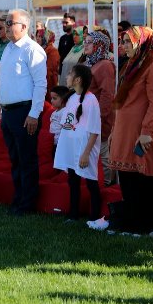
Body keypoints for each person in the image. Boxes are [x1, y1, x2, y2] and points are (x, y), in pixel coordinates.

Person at [106, 26, 153, 236]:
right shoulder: (131, 64)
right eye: (123, 42)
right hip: (124, 128)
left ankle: (147, 225)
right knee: (127, 177)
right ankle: (131, 221)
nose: (123, 45)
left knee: (142, 177)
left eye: (128, 41)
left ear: (142, 42)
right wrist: (114, 128)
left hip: (140, 130)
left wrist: (147, 130)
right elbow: (122, 101)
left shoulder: (152, 66)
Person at [0, 9, 47, 215]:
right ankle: (18, 199)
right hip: (9, 112)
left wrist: (34, 113)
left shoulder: (32, 49)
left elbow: (41, 84)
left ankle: (27, 204)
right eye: (6, 23)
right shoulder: (8, 48)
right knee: (15, 158)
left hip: (25, 111)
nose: (7, 26)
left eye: (11, 23)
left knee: (26, 159)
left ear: (24, 27)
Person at [54, 64, 102, 224]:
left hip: (84, 149)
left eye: (69, 74)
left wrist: (86, 153)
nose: (66, 77)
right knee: (73, 181)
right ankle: (73, 214)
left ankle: (95, 217)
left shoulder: (91, 100)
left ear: (78, 79)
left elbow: (95, 130)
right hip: (72, 147)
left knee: (90, 181)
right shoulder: (71, 97)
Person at [84, 28, 117, 186]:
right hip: (91, 116)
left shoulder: (104, 65)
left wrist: (100, 117)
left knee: (103, 151)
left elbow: (107, 94)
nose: (85, 45)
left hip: (100, 118)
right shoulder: (93, 64)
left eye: (89, 42)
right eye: (85, 41)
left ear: (99, 45)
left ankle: (109, 183)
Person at [36, 28, 60, 96]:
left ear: (46, 38)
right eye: (37, 36)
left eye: (40, 36)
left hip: (48, 86)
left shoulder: (52, 51)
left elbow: (50, 71)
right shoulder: (40, 50)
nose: (37, 38)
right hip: (41, 84)